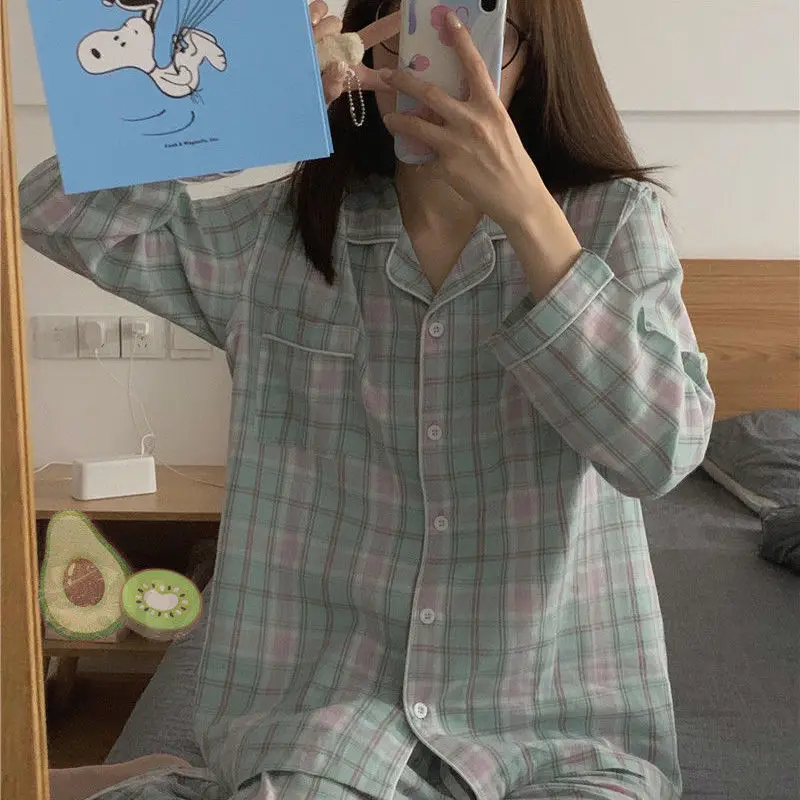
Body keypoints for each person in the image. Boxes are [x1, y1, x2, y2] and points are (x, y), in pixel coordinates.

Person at [20, 0, 715, 798]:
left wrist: (529, 213)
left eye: (480, 30)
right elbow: (51, 214)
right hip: (327, 719)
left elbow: (660, 453)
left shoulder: (612, 221)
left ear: (535, 56)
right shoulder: (277, 239)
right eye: (410, 25)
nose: (439, 58)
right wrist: (241, 105)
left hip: (555, 727)